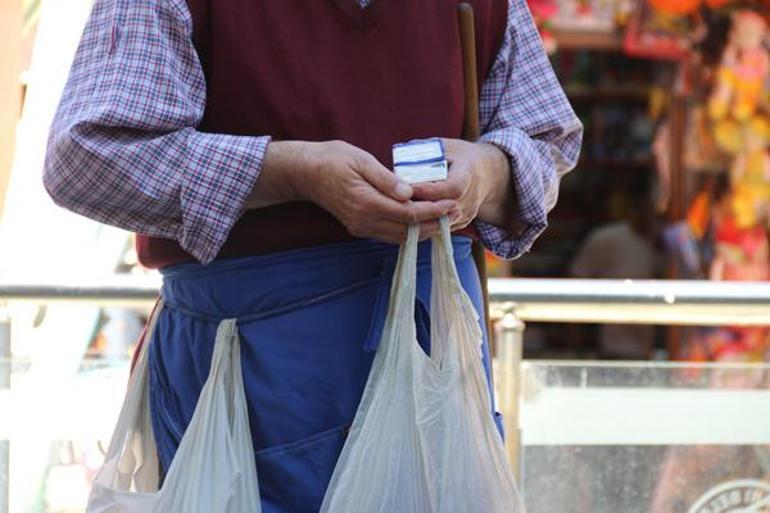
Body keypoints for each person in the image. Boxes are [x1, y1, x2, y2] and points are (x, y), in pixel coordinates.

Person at [43, 0, 581, 509]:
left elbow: (547, 141)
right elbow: (88, 156)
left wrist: (489, 171)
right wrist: (285, 171)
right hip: (257, 367)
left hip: (437, 352)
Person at [570, 192, 659, 359]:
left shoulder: (666, 246)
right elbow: (577, 281)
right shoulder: (608, 239)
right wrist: (577, 344)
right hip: (612, 350)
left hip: (652, 351)